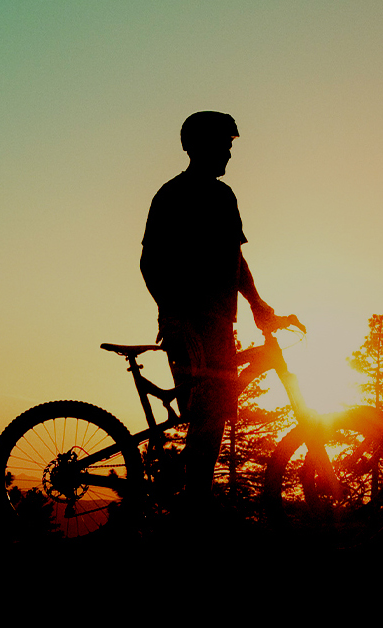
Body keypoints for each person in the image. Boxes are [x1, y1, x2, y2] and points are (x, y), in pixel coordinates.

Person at [140, 111, 286, 516]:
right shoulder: (171, 195)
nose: (228, 153)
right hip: (186, 326)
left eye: (230, 145)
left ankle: (194, 507)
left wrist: (258, 306)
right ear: (197, 146)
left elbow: (235, 259)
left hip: (220, 324)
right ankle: (191, 510)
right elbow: (150, 263)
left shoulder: (225, 197)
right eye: (224, 144)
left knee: (214, 417)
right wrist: (172, 314)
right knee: (204, 417)